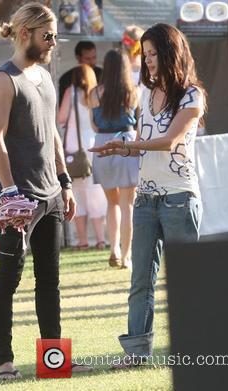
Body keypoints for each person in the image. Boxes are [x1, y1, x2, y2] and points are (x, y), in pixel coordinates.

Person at [89, 23, 206, 367]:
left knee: (186, 281)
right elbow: (143, 142)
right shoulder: (144, 93)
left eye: (154, 54)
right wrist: (119, 149)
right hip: (145, 200)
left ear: (172, 54)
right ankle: (137, 354)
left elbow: (169, 141)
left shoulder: (192, 95)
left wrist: (129, 144)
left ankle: (195, 350)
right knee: (141, 281)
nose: (149, 61)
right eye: (146, 54)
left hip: (179, 199)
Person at [0, 2, 91, 380]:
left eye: (55, 36)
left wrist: (64, 183)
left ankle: (54, 363)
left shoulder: (45, 75)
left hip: (50, 196)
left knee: (49, 281)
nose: (53, 42)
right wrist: (10, 193)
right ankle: (5, 365)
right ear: (25, 32)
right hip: (19, 199)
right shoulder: (4, 79)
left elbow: (52, 135)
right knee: (8, 280)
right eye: (48, 35)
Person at [89, 50, 139, 268]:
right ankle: (126, 256)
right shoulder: (132, 92)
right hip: (126, 142)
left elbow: (94, 124)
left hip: (102, 143)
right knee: (128, 205)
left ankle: (114, 249)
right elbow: (137, 122)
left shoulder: (94, 93)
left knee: (112, 203)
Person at [58, 64, 107, 250]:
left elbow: (61, 118)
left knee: (77, 193)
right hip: (93, 144)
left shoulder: (71, 92)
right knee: (95, 191)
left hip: (74, 145)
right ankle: (101, 239)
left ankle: (83, 240)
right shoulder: (97, 93)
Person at [59, 41, 103, 105]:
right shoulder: (66, 78)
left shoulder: (103, 75)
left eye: (94, 57)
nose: (92, 62)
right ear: (78, 58)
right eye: (87, 59)